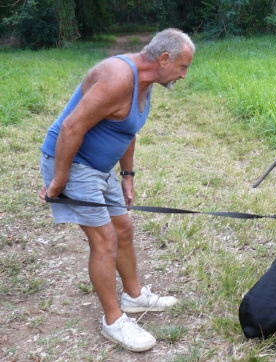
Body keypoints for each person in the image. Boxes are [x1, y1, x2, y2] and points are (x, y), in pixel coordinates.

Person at [38, 28, 195, 352]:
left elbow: (128, 130)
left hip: (99, 169)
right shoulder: (118, 76)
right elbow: (71, 127)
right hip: (73, 164)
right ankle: (113, 320)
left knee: (123, 226)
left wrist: (127, 176)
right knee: (105, 238)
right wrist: (58, 181)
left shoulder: (145, 83)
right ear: (165, 59)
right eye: (183, 67)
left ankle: (134, 297)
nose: (184, 74)